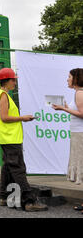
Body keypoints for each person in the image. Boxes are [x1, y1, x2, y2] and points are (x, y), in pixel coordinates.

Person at [0, 68, 48, 212]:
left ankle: (4, 196)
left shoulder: (2, 94)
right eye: (13, 80)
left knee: (8, 167)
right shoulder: (4, 96)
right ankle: (29, 201)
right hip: (10, 138)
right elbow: (4, 117)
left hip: (7, 138)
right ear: (7, 80)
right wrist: (22, 118)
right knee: (18, 169)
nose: (15, 82)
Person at [52, 68, 83, 214]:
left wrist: (63, 109)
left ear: (76, 78)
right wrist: (65, 107)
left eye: (69, 77)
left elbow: (82, 114)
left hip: (80, 135)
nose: (67, 79)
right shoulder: (78, 93)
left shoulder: (79, 93)